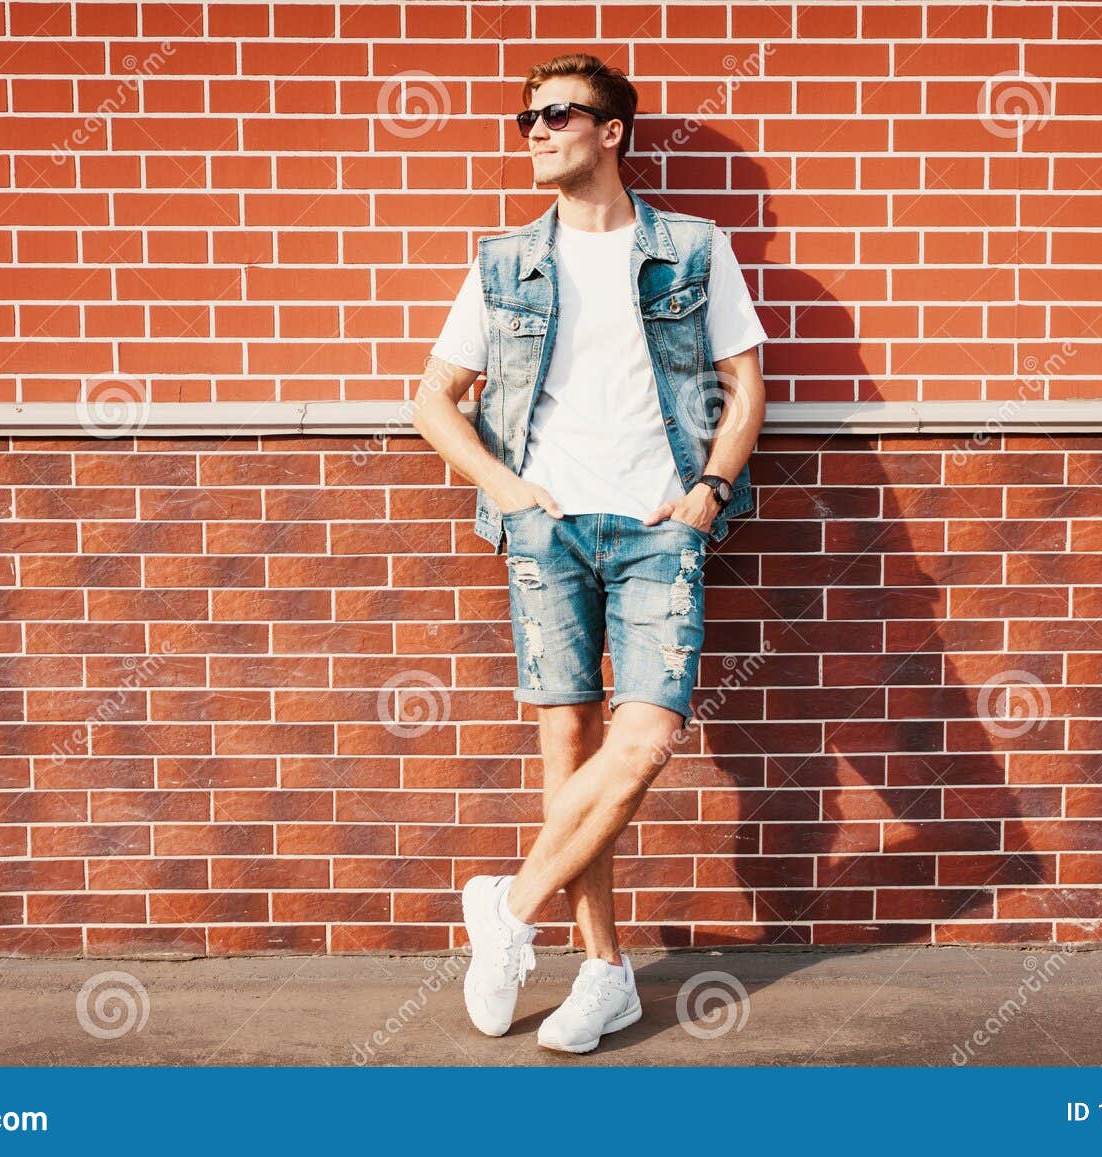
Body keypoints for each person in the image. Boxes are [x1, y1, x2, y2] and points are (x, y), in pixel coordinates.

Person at [409, 53, 767, 1053]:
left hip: (660, 529)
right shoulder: (504, 261)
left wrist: (707, 492)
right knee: (567, 754)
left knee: (644, 738)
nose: (533, 130)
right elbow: (433, 397)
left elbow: (746, 386)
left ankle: (508, 907)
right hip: (548, 530)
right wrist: (510, 493)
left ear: (611, 132)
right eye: (523, 117)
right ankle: (603, 969)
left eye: (557, 114)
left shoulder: (693, 249)